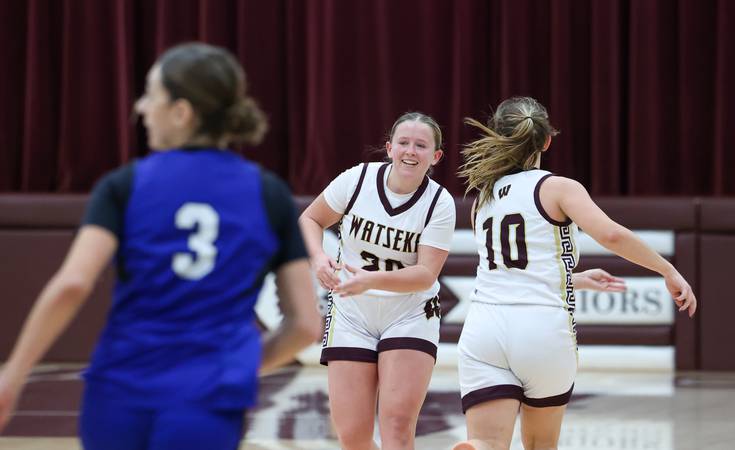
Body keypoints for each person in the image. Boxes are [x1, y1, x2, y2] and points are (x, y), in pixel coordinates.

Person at [0, 42, 321, 450]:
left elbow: (72, 285)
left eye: (152, 95)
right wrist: (235, 367)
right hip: (211, 399)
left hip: (120, 388)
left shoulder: (124, 185)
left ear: (181, 112)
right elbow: (306, 325)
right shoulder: (270, 194)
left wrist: (13, 374)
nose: (140, 107)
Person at [452, 96, 697, 450]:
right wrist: (667, 268)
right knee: (540, 444)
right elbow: (611, 234)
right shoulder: (558, 187)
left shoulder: (482, 197)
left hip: (483, 328)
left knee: (487, 441)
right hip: (541, 328)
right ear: (547, 140)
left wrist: (574, 279)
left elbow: (506, 267)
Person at [299, 112, 456, 450]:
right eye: (403, 143)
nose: (410, 151)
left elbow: (425, 274)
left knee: (397, 426)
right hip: (353, 312)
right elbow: (310, 218)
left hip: (409, 313)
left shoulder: (439, 202)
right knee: (352, 435)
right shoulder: (357, 180)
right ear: (389, 148)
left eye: (420, 145)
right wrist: (318, 257)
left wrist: (371, 280)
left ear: (435, 156)